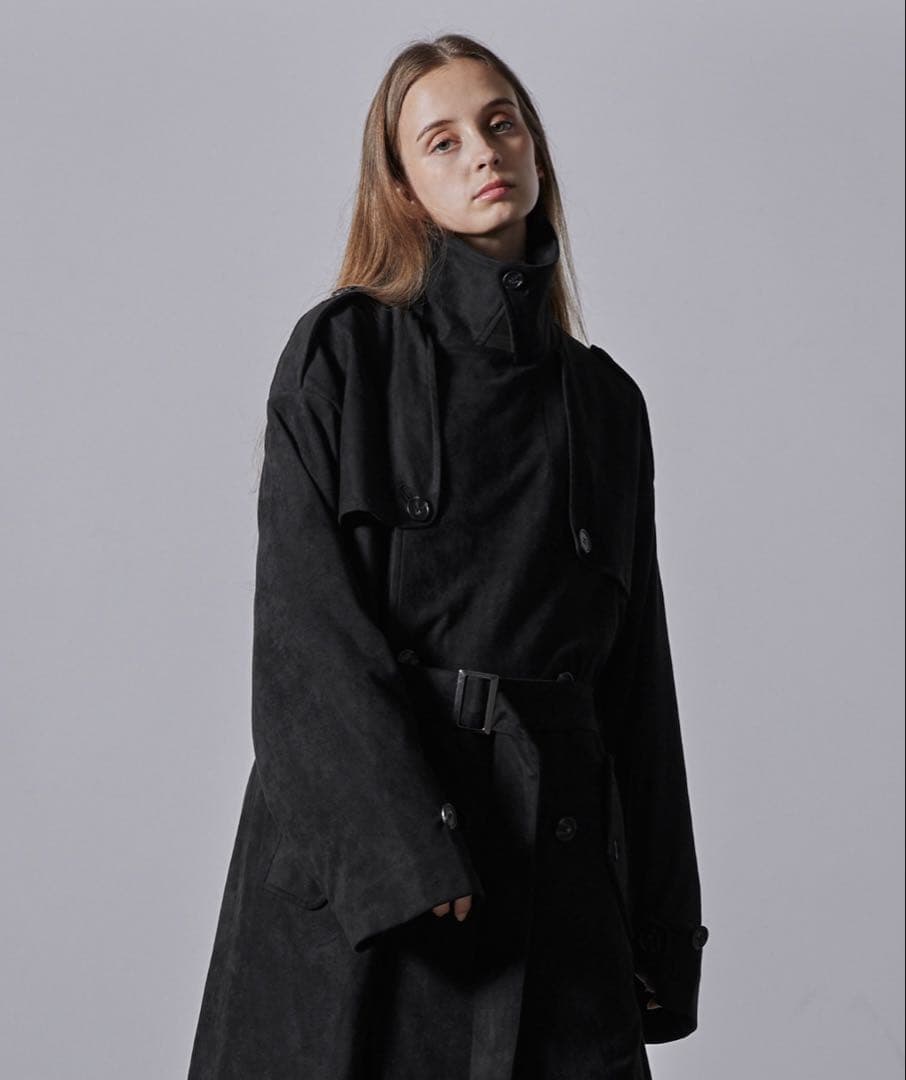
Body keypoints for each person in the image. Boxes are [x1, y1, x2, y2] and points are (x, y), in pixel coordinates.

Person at [188, 32, 708, 1080]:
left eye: (500, 122)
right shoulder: (345, 355)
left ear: (535, 148)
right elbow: (304, 637)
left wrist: (660, 924)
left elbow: (635, 683)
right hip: (377, 891)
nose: (482, 151)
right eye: (442, 140)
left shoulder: (606, 405)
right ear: (404, 189)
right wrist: (405, 857)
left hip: (557, 869)